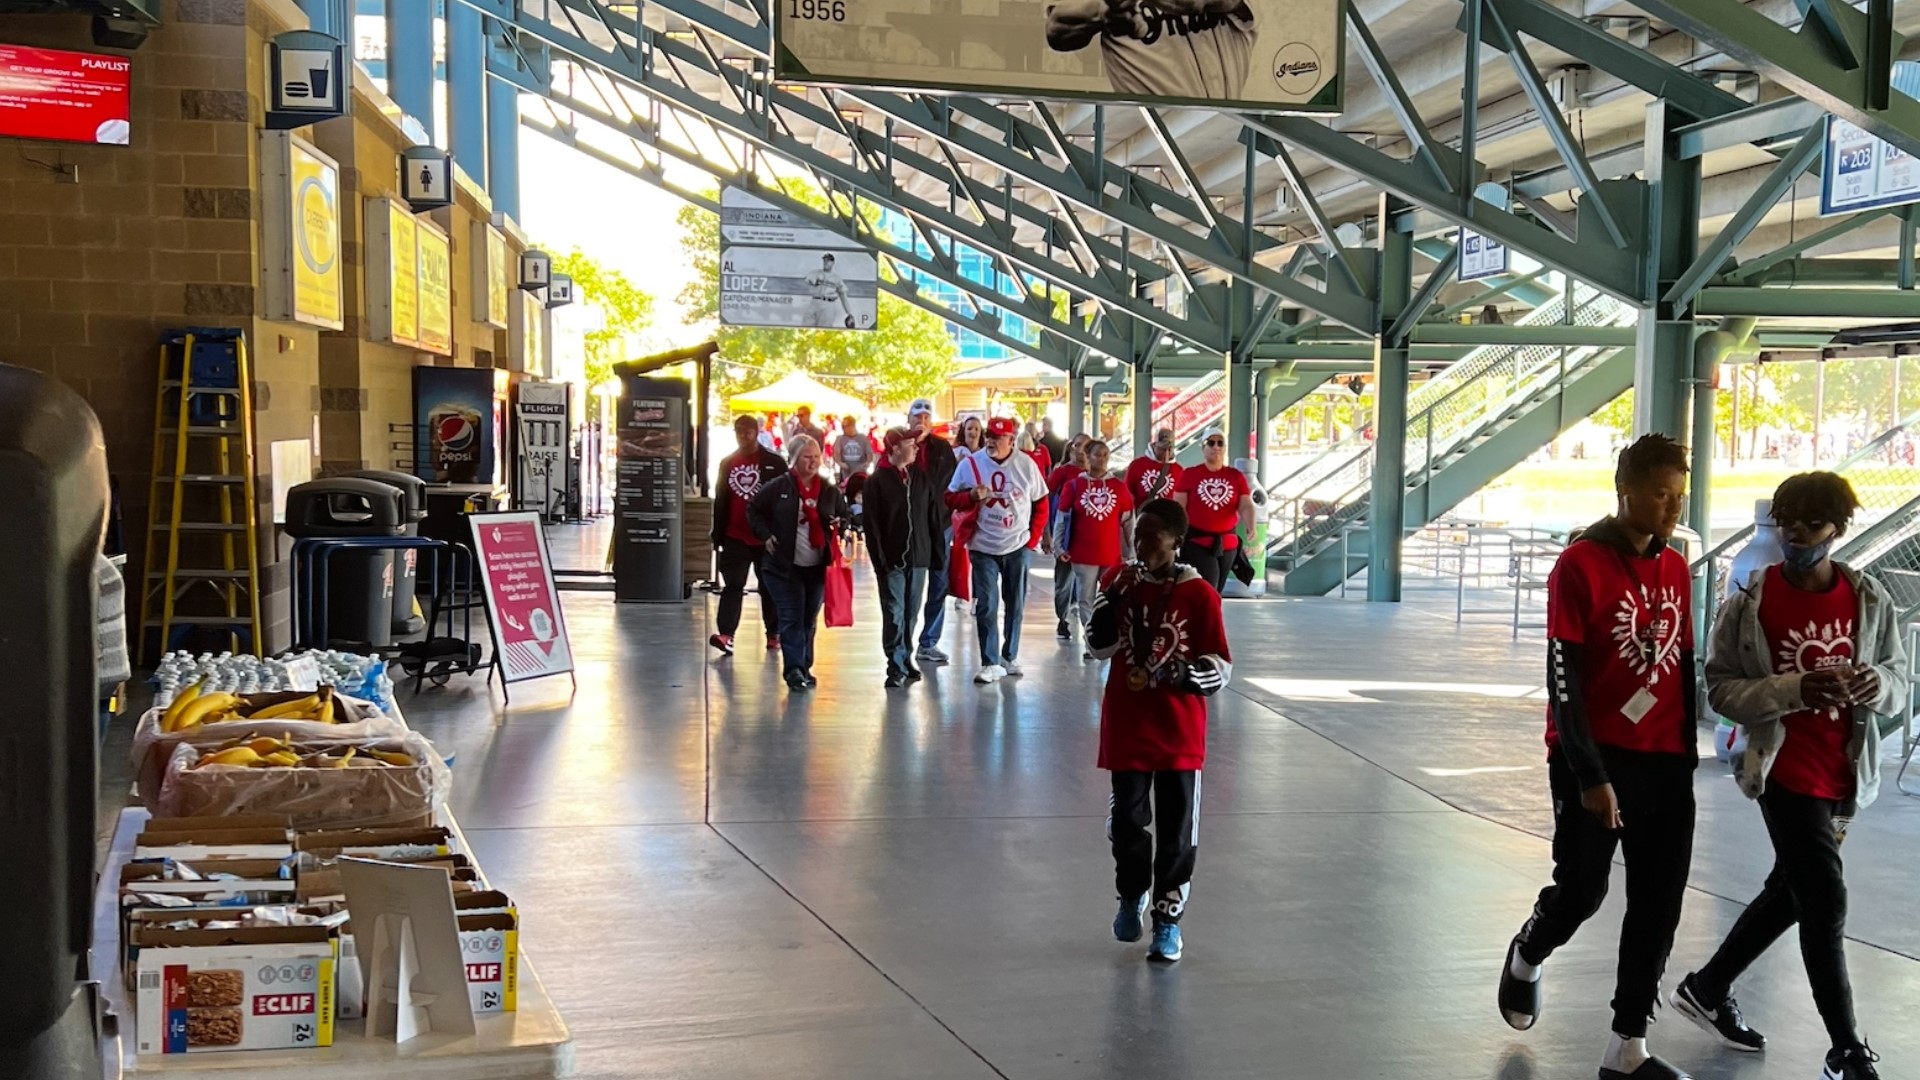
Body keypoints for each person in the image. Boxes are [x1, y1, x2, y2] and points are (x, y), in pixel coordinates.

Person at [1672, 473, 1909, 1080]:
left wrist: (1874, 684)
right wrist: (1796, 688)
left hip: (1846, 773)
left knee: (1793, 891)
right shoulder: (1750, 601)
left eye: (1811, 522)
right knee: (1825, 899)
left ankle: (1707, 986)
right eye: (1787, 520)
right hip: (1781, 769)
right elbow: (1721, 687)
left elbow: (1899, 681)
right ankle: (1846, 1048)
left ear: (1837, 528)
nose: (1796, 534)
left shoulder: (1868, 598)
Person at [1498, 433, 1698, 1080]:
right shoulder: (1579, 564)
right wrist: (1589, 773)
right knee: (1583, 889)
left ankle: (1627, 1043)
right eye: (1660, 494)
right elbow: (1564, 677)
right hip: (1597, 756)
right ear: (1627, 491)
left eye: (1678, 495)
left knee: (1658, 900)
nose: (1671, 508)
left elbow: (1683, 665)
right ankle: (1529, 949)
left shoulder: (1677, 565)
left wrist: (1687, 756)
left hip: (1665, 758)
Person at [1088, 498, 1231, 964]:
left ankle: (1168, 922)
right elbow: (1099, 646)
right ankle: (1131, 894)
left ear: (1176, 542)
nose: (1141, 544)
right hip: (1127, 723)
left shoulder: (1199, 594)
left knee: (1176, 830)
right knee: (1127, 823)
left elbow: (1221, 664)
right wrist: (1114, 598)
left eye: (1152, 537)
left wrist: (1187, 674)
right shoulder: (1116, 581)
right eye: (1138, 535)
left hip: (1178, 731)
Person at [946, 416, 1048, 684]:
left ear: (1011, 440)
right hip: (983, 546)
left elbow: (1041, 501)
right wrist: (970, 497)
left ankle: (1010, 655)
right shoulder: (970, 464)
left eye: (997, 437)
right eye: (988, 435)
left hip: (1017, 546)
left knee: (1015, 602)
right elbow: (949, 497)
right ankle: (989, 661)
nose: (991, 440)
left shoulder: (1026, 465)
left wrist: (1032, 538)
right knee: (987, 604)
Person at [749, 435, 850, 691]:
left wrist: (842, 524)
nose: (813, 462)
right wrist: (765, 535)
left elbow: (843, 514)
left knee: (808, 619)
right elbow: (754, 509)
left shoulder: (828, 489)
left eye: (816, 457)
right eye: (807, 457)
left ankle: (805, 666)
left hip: (816, 566)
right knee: (791, 616)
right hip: (783, 566)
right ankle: (793, 670)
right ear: (794, 459)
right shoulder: (779, 487)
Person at [864, 428, 947, 689]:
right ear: (895, 448)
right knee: (894, 613)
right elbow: (872, 524)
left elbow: (933, 517)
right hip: (891, 561)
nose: (916, 448)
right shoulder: (876, 482)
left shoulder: (920, 478)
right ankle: (895, 664)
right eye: (910, 444)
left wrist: (937, 554)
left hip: (918, 556)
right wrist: (880, 560)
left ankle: (905, 657)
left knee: (911, 613)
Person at [1044, 0, 1256, 101]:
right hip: (1149, 140)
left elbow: (1197, 3)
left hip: (1226, 133)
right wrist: (1103, 13)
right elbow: (1057, 30)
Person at [710, 415, 788, 656]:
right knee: (733, 585)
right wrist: (718, 533)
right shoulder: (727, 463)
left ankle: (774, 633)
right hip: (735, 535)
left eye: (747, 431)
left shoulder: (774, 463)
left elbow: (785, 498)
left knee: (769, 587)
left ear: (757, 432)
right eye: (739, 432)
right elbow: (721, 500)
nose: (743, 436)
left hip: (766, 537)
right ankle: (726, 634)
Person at [1057, 438, 1134, 657]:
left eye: (1105, 455)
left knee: (1112, 596)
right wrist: (1058, 546)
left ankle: (1110, 636)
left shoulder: (1119, 488)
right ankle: (1091, 640)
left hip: (1111, 553)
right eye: (1097, 454)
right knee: (1085, 598)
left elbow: (1129, 522)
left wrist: (1133, 552)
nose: (1101, 459)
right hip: (1082, 552)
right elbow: (1062, 519)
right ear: (1087, 456)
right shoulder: (1074, 485)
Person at [908, 399, 960, 667]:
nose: (922, 421)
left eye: (927, 417)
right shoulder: (901, 445)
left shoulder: (942, 448)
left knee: (939, 583)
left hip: (941, 524)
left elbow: (951, 484)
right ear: (909, 419)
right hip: (912, 528)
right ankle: (905, 640)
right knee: (912, 587)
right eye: (918, 417)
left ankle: (928, 642)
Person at [1172, 430, 1252, 593]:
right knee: (1209, 585)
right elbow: (1179, 507)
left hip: (1228, 543)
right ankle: (1208, 617)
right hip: (1198, 542)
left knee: (1218, 589)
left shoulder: (1235, 476)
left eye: (1220, 443)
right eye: (1211, 443)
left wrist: (1251, 525)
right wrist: (1177, 534)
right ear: (1203, 448)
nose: (1216, 447)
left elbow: (1245, 504)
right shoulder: (1190, 474)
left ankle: (1213, 616)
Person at [1045, 434, 1091, 639]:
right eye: (1077, 445)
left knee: (1087, 583)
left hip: (1088, 535)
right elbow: (1045, 500)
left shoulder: (1095, 474)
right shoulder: (1062, 472)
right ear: (1071, 448)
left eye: (1086, 446)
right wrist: (1047, 533)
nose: (1081, 450)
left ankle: (1087, 624)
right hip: (1065, 534)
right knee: (1063, 581)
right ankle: (1061, 618)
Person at [1126, 427, 1183, 509]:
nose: (1166, 453)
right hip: (1143, 516)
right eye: (1162, 449)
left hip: (1168, 518)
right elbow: (1127, 494)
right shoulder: (1137, 465)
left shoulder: (1179, 470)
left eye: (1169, 449)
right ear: (1153, 445)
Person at [806, 253, 857, 328]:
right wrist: (811, 283)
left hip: (828, 303)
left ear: (832, 263)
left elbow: (843, 296)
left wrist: (849, 313)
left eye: (828, 261)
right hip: (814, 302)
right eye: (825, 260)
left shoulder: (836, 278)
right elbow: (806, 282)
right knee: (806, 325)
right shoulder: (815, 273)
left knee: (824, 328)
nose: (826, 262)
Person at [832, 414, 875, 481]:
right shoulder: (840, 439)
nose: (842, 429)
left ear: (852, 426)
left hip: (861, 473)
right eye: (842, 426)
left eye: (844, 426)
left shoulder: (863, 438)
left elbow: (869, 453)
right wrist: (840, 463)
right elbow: (836, 453)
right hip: (846, 474)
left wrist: (867, 462)